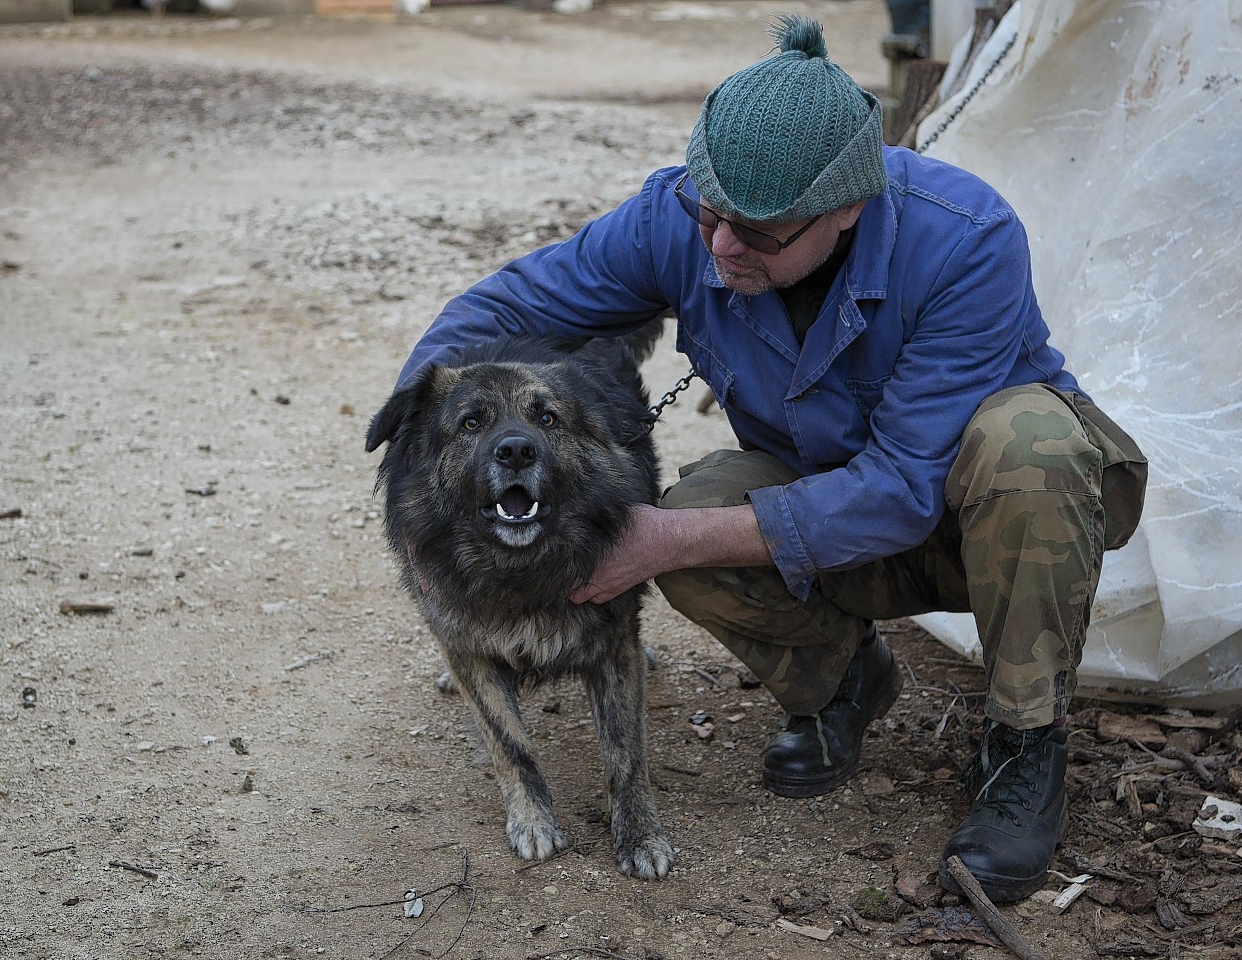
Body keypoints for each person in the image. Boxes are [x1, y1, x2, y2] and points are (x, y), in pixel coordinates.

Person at [392, 15, 1147, 903]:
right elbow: (505, 309)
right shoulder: (682, 218)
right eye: (711, 215)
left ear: (847, 211)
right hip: (838, 498)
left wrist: (673, 540)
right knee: (689, 510)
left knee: (1030, 443)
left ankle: (1025, 745)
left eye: (757, 233)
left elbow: (905, 488)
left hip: (990, 518)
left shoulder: (966, 239)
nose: (721, 248)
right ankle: (842, 679)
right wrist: (419, 451)